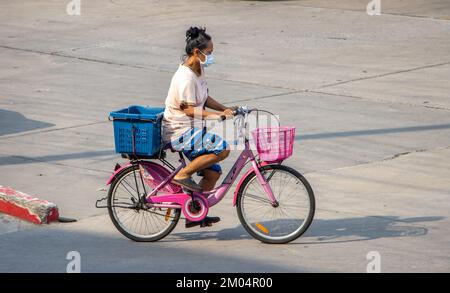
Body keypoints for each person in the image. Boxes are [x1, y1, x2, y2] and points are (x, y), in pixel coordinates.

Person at [162, 26, 236, 228]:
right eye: (209, 53)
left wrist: (225, 109)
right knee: (223, 148)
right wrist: (219, 115)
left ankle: (195, 212)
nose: (210, 57)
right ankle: (182, 175)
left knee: (213, 173)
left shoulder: (198, 69)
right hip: (180, 131)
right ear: (197, 52)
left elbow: (204, 97)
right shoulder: (185, 77)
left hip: (193, 129)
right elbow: (188, 110)